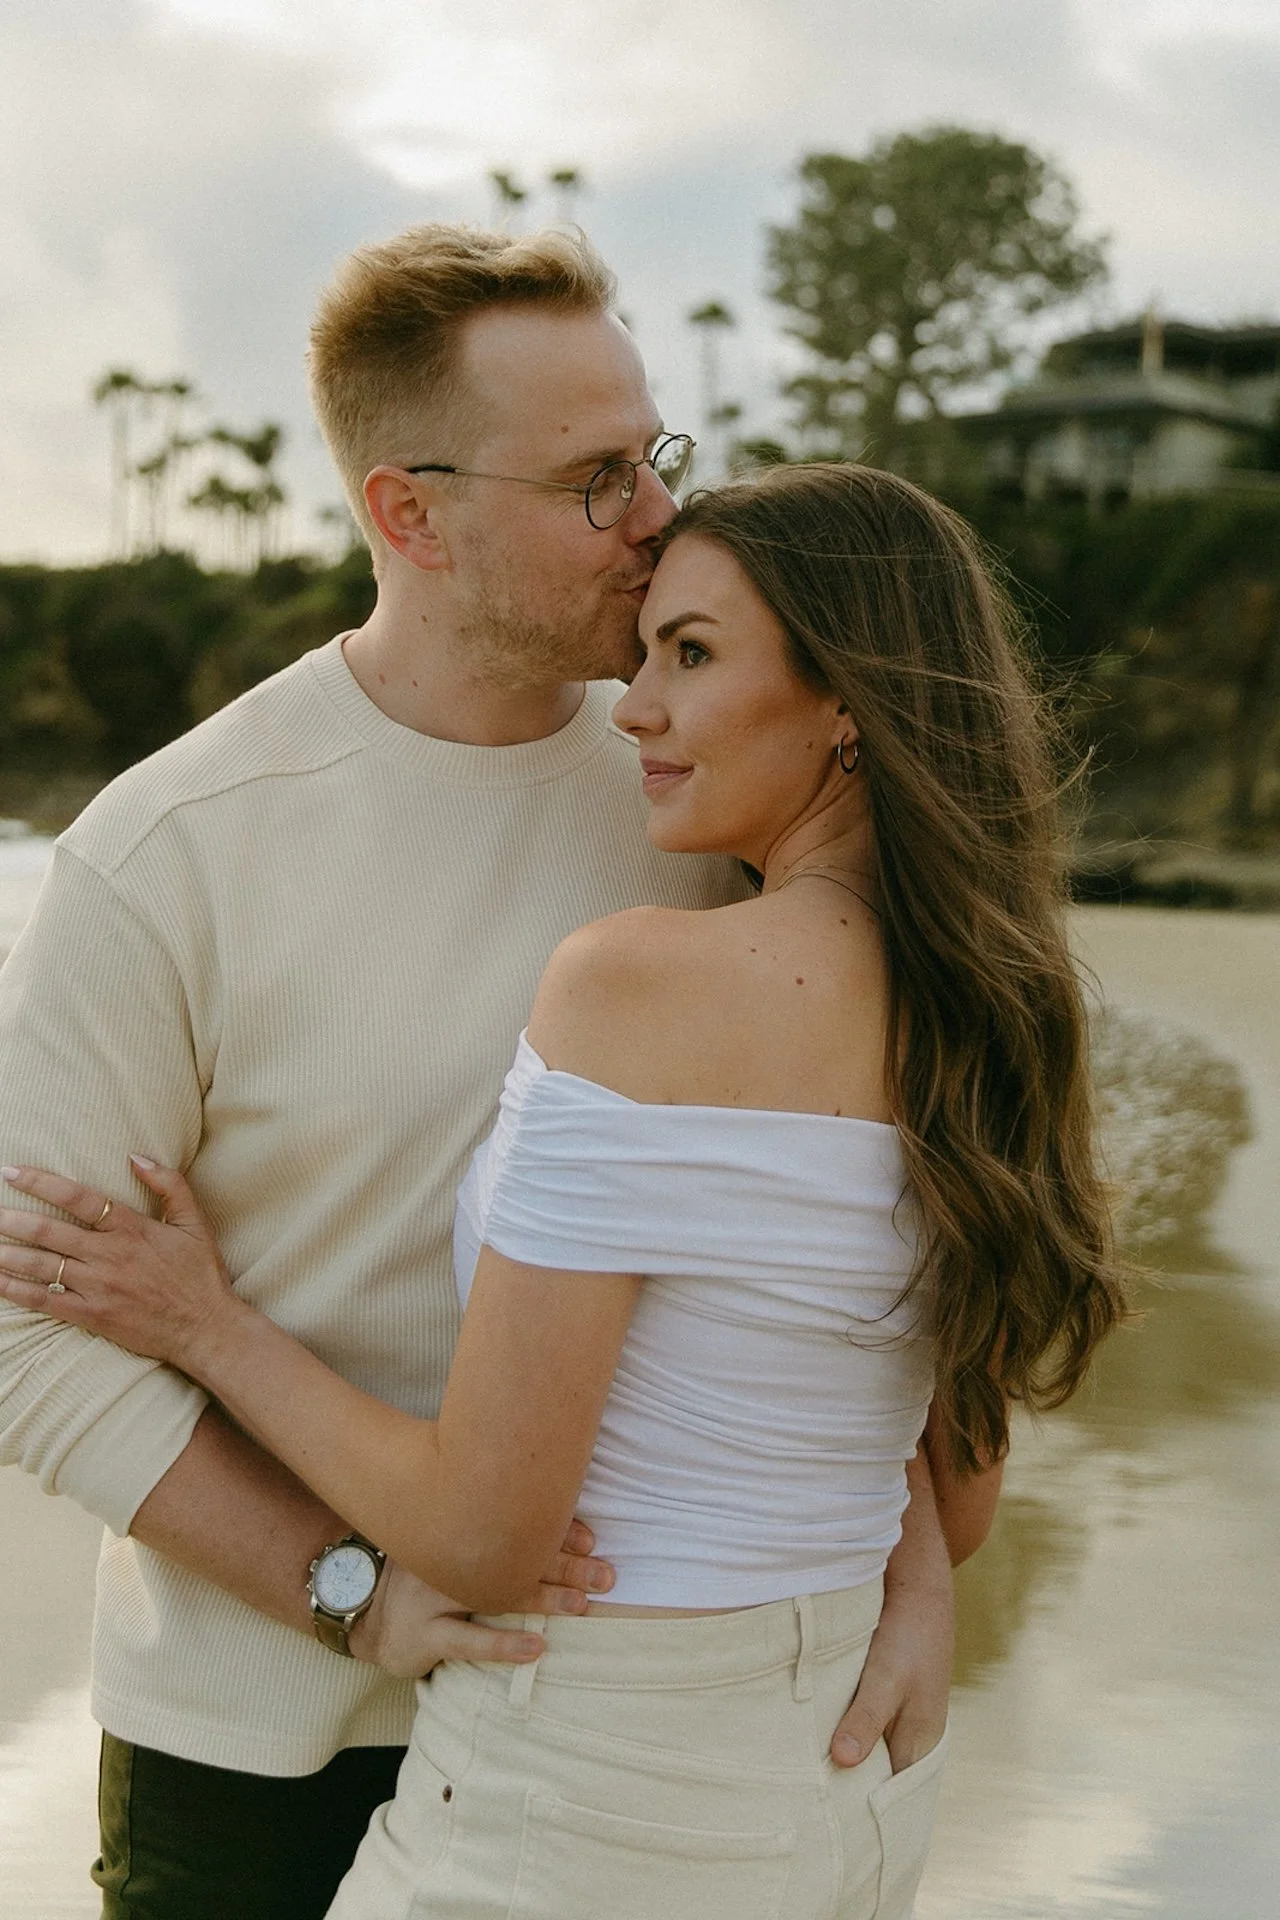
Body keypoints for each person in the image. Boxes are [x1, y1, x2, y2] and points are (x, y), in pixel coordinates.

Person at [1, 462, 1127, 1919]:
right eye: (652, 643)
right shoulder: (998, 1001)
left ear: (847, 703)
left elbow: (484, 1541)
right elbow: (950, 1493)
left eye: (695, 654)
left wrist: (209, 1326)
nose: (638, 706)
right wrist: (915, 1586)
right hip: (843, 1785)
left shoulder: (642, 977)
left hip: (584, 1790)